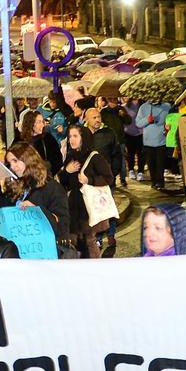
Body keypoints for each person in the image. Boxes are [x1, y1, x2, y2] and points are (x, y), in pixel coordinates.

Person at [58, 124, 113, 259]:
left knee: (88, 240)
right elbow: (64, 183)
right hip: (73, 205)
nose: (72, 140)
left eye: (75, 136)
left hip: (88, 206)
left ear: (84, 137)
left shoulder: (94, 157)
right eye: (70, 136)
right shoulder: (71, 156)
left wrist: (89, 180)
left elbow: (108, 178)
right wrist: (66, 171)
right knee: (74, 240)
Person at [1, 142, 71, 242]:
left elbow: (63, 226)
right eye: (9, 163)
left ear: (28, 159)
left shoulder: (52, 188)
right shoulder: (14, 187)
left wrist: (37, 211)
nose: (12, 167)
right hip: (21, 247)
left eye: (15, 161)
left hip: (45, 250)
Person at [85, 108, 123, 247]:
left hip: (107, 179)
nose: (97, 120)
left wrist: (113, 173)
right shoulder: (83, 135)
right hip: (90, 181)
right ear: (86, 120)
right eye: (94, 117)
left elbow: (117, 154)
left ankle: (111, 234)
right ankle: (98, 237)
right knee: (95, 209)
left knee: (109, 208)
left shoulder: (109, 133)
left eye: (99, 117)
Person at [136, 98, 171, 190]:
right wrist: (147, 120)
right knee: (151, 164)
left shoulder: (167, 106)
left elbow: (171, 120)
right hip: (148, 142)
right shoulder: (143, 107)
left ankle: (160, 182)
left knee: (160, 164)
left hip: (162, 140)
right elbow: (138, 123)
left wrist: (168, 127)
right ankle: (154, 181)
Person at [19, 110, 63, 176]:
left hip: (43, 178)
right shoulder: (20, 140)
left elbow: (58, 161)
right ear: (31, 123)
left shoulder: (48, 139)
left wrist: (45, 168)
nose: (43, 125)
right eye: (39, 122)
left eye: (43, 121)